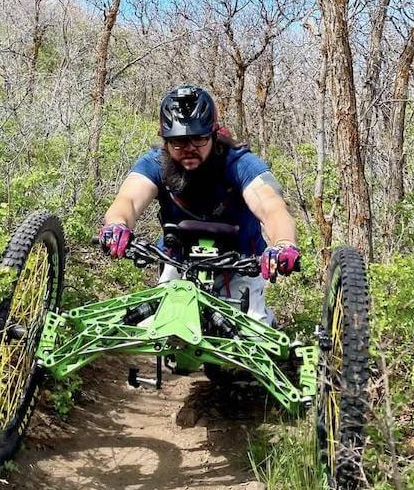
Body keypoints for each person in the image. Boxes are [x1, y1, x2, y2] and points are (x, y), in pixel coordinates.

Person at [98, 85, 300, 322]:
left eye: (199, 139)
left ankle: (267, 324)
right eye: (179, 142)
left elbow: (272, 206)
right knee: (155, 332)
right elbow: (128, 200)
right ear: (165, 142)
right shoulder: (155, 163)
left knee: (252, 344)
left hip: (240, 265)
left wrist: (284, 243)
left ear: (213, 135)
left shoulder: (240, 163)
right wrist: (117, 225)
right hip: (178, 262)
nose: (189, 149)